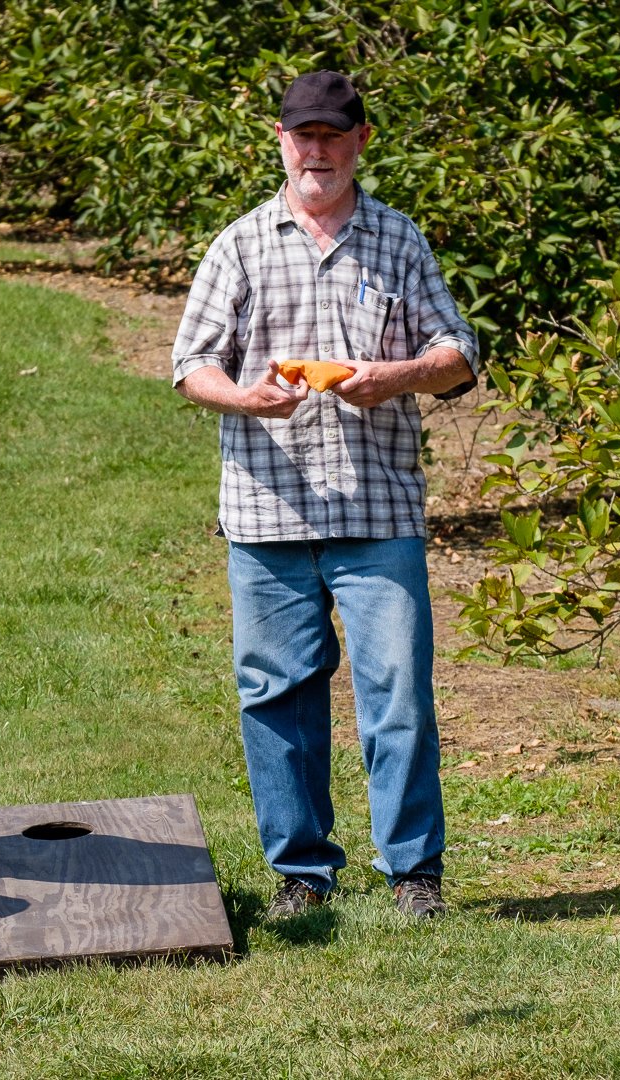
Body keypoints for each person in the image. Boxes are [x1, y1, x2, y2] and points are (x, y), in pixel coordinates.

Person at [172, 71, 478, 920]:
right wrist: (245, 395)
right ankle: (301, 874)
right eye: (304, 135)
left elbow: (459, 350)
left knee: (399, 694)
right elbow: (189, 365)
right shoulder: (240, 244)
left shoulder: (397, 239)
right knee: (277, 696)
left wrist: (397, 375)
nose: (318, 151)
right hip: (267, 512)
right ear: (281, 140)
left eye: (333, 136)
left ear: (360, 142)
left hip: (379, 510)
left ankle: (415, 871)